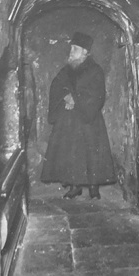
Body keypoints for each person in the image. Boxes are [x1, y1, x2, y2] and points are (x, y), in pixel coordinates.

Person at [41, 32, 115, 199]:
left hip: (89, 119)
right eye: (71, 48)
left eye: (75, 48)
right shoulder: (66, 70)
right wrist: (66, 97)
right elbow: (56, 85)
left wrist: (76, 99)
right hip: (69, 119)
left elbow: (97, 94)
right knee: (71, 152)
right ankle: (74, 186)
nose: (71, 51)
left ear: (85, 52)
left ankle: (93, 187)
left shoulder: (95, 70)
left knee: (91, 152)